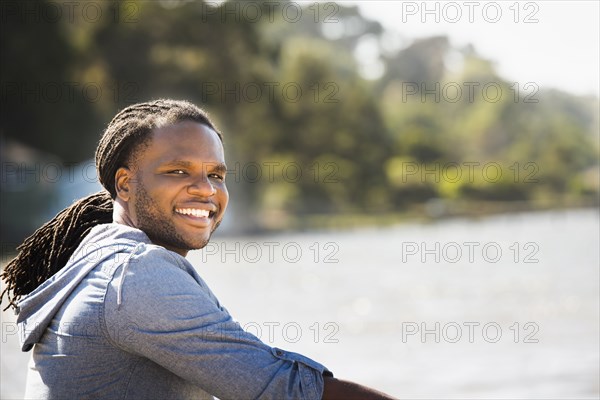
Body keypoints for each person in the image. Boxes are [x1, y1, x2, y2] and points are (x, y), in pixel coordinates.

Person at [1, 99, 396, 399]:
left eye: (216, 175)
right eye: (178, 171)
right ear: (124, 185)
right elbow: (283, 390)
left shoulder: (102, 259)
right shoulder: (135, 276)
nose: (206, 190)